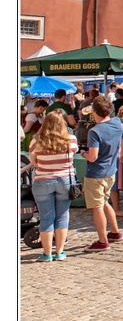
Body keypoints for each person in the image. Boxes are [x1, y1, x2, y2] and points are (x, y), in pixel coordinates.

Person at [25, 111, 78, 261]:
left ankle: (47, 253)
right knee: (62, 216)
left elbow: (34, 162)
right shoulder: (71, 139)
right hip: (64, 180)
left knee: (46, 218)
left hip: (43, 180)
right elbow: (73, 157)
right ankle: (60, 251)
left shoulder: (36, 141)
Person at [82, 96, 123, 251]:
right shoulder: (117, 123)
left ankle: (102, 240)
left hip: (96, 173)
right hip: (111, 170)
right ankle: (115, 232)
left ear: (94, 111)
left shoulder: (95, 131)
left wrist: (84, 154)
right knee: (104, 202)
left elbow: (92, 157)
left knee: (97, 206)